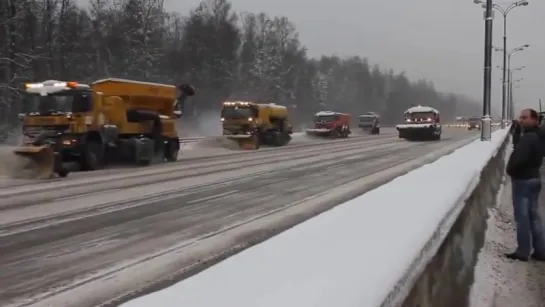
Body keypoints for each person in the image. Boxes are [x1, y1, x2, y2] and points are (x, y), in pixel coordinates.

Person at [505, 108, 545, 261]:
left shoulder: (528, 138)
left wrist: (510, 170)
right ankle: (541, 251)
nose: (521, 120)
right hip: (534, 178)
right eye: (520, 117)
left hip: (523, 181)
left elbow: (518, 159)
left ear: (535, 120)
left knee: (522, 218)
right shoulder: (539, 136)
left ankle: (523, 252)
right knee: (534, 217)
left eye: (524, 117)